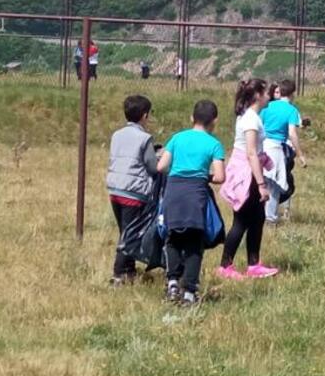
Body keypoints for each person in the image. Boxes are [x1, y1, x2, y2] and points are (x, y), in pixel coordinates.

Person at [156, 100, 226, 305]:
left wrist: (178, 173)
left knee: (173, 237)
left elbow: (161, 167)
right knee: (195, 242)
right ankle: (189, 291)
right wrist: (205, 176)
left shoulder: (177, 138)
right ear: (215, 121)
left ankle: (172, 283)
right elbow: (220, 177)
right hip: (196, 194)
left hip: (173, 191)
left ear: (191, 118)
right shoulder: (214, 144)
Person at [218, 79, 279, 279]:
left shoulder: (251, 116)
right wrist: (261, 184)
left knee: (257, 219)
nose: (270, 95)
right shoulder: (251, 119)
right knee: (242, 220)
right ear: (258, 96)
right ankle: (225, 266)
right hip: (248, 174)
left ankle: (254, 264)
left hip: (251, 171)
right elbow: (251, 152)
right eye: (267, 92)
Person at [105, 95, 159, 286]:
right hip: (134, 192)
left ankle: (129, 270)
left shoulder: (117, 134)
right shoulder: (144, 138)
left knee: (125, 230)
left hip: (115, 188)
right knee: (129, 235)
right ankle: (119, 274)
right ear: (145, 115)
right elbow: (153, 167)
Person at [261, 79, 307, 224]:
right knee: (274, 185)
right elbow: (292, 133)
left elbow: (260, 126)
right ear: (293, 93)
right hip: (276, 148)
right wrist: (300, 154)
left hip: (262, 145)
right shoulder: (291, 110)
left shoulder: (267, 106)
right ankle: (270, 218)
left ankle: (258, 215)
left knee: (261, 182)